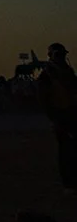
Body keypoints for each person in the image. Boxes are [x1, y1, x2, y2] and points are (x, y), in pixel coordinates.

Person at [36, 42, 77, 192]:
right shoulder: (47, 75)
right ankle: (68, 179)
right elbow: (44, 99)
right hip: (59, 113)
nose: (61, 57)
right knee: (65, 148)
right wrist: (53, 117)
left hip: (71, 112)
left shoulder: (67, 71)